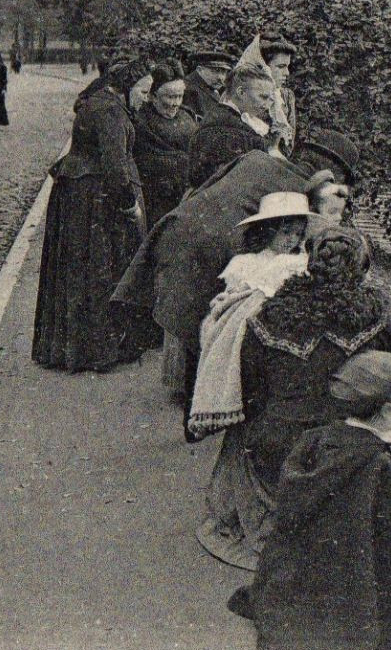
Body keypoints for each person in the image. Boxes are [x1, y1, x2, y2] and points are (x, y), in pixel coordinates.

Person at [198, 226, 391, 570]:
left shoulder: (270, 312)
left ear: (310, 264)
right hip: (341, 452)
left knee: (254, 425)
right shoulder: (372, 315)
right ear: (361, 269)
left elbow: (249, 390)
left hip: (274, 452)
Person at [228, 349, 391, 650]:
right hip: (357, 580)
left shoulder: (316, 440)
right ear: (387, 409)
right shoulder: (382, 462)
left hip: (300, 578)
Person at [112, 128, 361, 412]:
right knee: (213, 318)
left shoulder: (255, 157)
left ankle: (192, 393)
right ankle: (205, 401)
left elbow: (205, 187)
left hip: (178, 226)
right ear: (330, 173)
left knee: (195, 314)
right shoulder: (303, 194)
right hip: (215, 248)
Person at [32, 62, 149, 373]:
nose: (146, 98)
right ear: (126, 87)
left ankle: (69, 349)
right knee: (97, 268)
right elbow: (116, 168)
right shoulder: (111, 112)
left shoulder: (97, 103)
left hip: (77, 195)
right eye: (144, 91)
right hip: (93, 198)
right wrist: (130, 206)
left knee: (77, 270)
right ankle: (95, 351)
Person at [187, 191, 312, 440]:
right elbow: (232, 295)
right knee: (218, 326)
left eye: (298, 234)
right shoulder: (246, 262)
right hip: (249, 316)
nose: (291, 240)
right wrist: (235, 297)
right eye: (285, 232)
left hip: (279, 318)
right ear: (268, 231)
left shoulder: (298, 262)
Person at [186, 38, 284, 190]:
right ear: (241, 92)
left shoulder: (241, 120)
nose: (268, 104)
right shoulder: (222, 128)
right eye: (263, 97)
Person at [130, 59, 198, 223]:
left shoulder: (188, 116)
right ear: (152, 96)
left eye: (180, 96)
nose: (176, 103)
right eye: (170, 97)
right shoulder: (140, 121)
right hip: (154, 198)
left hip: (186, 195)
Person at [260, 35, 298, 150]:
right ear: (264, 67)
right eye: (281, 66)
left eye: (287, 67)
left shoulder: (286, 96)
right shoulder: (249, 95)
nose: (286, 73)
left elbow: (289, 144)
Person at [182, 49, 234, 121]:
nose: (221, 78)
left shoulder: (209, 87)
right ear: (200, 70)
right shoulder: (189, 90)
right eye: (216, 71)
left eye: (224, 72)